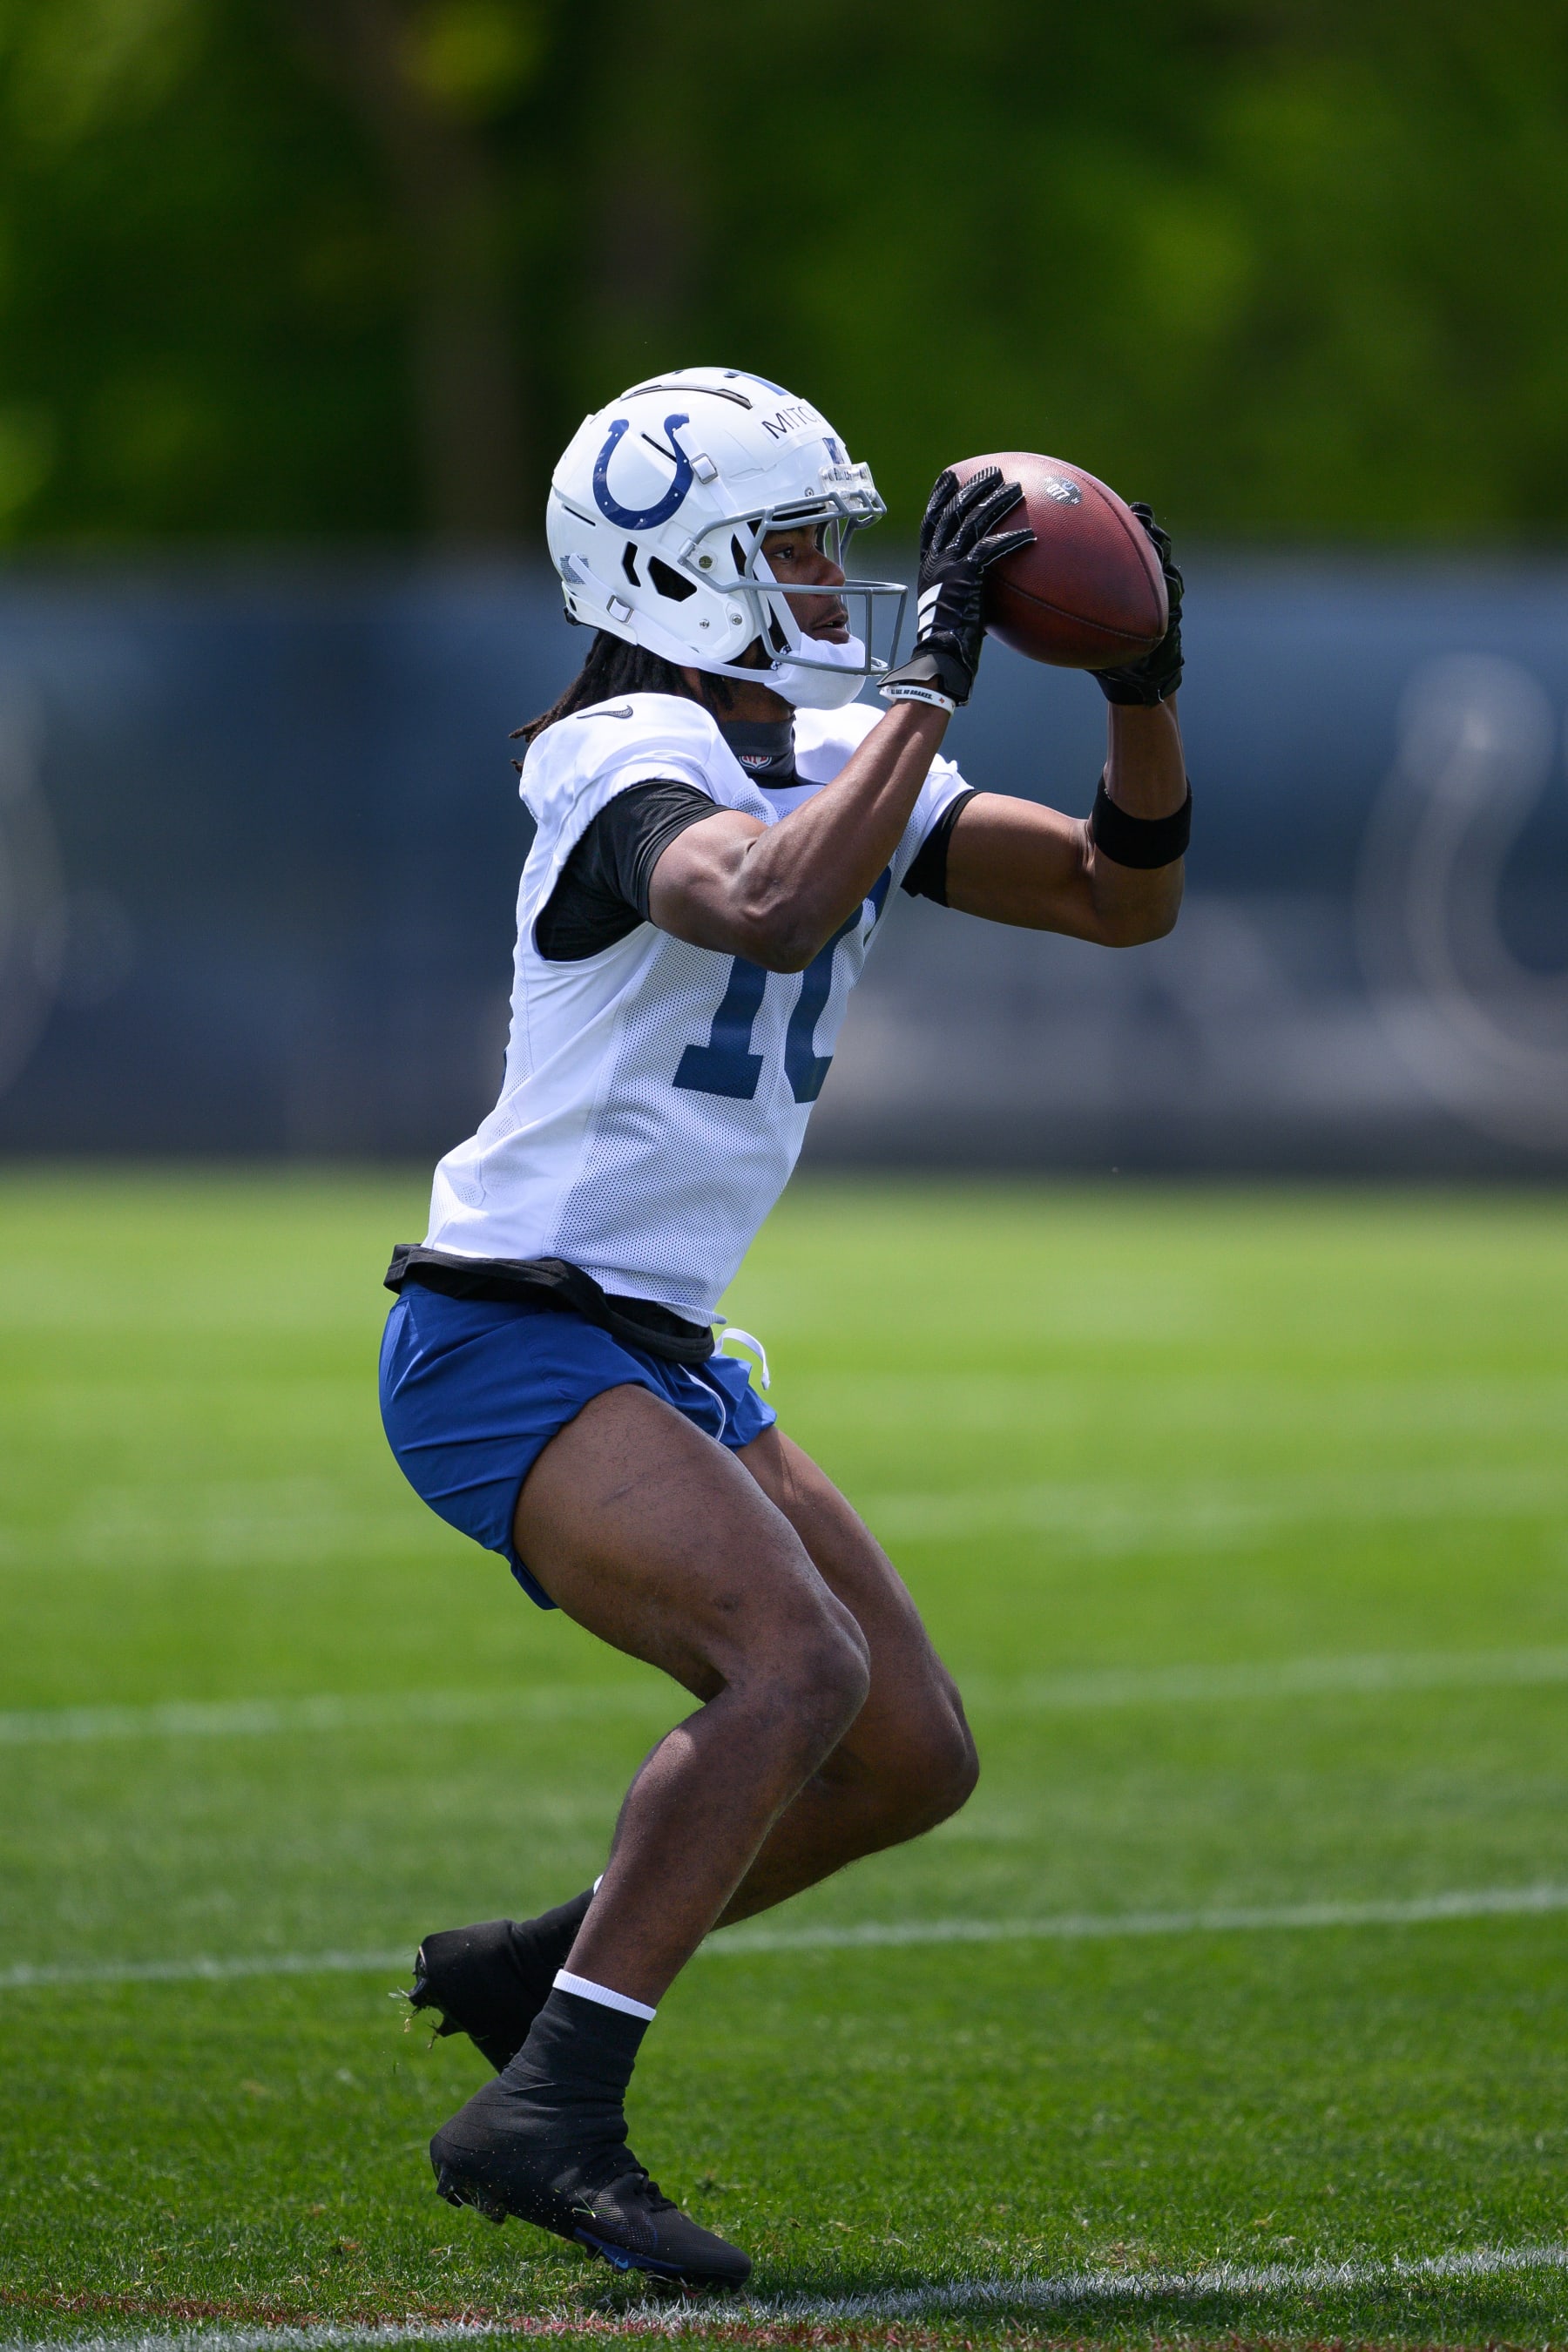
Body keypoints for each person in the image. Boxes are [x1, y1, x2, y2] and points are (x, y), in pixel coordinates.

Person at [379, 366, 1189, 2288]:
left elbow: (1115, 900)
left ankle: (555, 1964)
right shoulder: (614, 750)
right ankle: (552, 2107)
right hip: (511, 1333)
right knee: (791, 1669)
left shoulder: (836, 740)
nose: (834, 575)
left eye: (834, 539)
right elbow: (755, 900)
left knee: (910, 1752)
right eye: (792, 544)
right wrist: (923, 703)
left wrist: (1142, 692)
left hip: (659, 1344)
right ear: (674, 572)